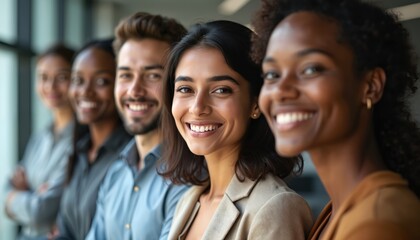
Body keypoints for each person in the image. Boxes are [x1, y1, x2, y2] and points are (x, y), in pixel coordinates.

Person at [251, 0, 420, 239]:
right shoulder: (339, 208)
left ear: (370, 86)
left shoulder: (378, 224)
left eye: (311, 69)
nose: (280, 89)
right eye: (272, 74)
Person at [161, 20, 313, 240]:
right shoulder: (190, 200)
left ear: (256, 102)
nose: (197, 107)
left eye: (221, 90)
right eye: (185, 89)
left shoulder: (275, 207)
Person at [85, 12, 189, 240]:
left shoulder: (190, 176)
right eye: (125, 75)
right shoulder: (116, 172)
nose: (134, 90)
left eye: (152, 75)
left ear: (177, 83)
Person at [56, 39, 131, 240]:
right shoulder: (78, 150)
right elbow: (64, 230)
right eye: (78, 80)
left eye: (101, 82)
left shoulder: (130, 155)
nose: (85, 92)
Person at [4, 44, 75, 240]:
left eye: (61, 77)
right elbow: (5, 188)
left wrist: (19, 197)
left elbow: (41, 211)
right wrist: (31, 198)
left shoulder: (80, 140)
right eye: (43, 77)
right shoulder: (41, 136)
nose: (50, 87)